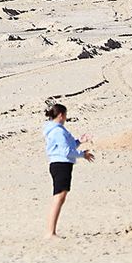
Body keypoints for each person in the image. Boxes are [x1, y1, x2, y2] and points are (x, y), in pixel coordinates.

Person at [43, 102, 93, 239]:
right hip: (61, 164)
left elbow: (69, 146)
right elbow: (66, 151)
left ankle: (51, 231)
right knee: (58, 198)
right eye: (65, 115)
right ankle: (50, 232)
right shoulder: (58, 131)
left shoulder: (56, 129)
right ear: (60, 115)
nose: (66, 118)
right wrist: (83, 154)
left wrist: (79, 141)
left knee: (60, 197)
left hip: (60, 164)